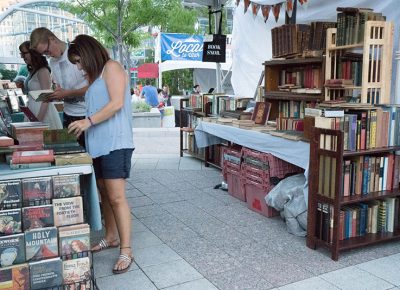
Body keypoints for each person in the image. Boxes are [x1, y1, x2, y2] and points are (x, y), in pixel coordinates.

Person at [66, 34, 134, 275]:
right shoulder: (96, 78)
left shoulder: (112, 67)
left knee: (116, 197)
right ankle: (111, 236)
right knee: (104, 193)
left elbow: (116, 103)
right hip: (99, 145)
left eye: (78, 61)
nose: (79, 67)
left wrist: (88, 121)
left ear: (89, 54)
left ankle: (126, 249)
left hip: (116, 143)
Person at [30, 27, 88, 146]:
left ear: (53, 39)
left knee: (91, 158)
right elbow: (60, 88)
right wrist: (55, 94)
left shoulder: (76, 53)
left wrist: (67, 93)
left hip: (87, 113)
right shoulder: (52, 62)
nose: (48, 55)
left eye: (47, 51)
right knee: (72, 156)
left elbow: (93, 86)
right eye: (44, 54)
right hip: (68, 114)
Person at [18, 41, 62, 129]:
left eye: (24, 53)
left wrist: (39, 120)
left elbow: (46, 97)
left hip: (42, 113)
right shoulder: (33, 71)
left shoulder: (43, 71)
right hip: (33, 110)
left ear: (33, 53)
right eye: (21, 53)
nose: (22, 56)